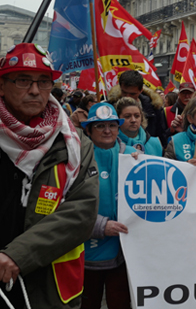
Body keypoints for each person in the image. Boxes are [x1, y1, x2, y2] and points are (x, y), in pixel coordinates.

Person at [0, 43, 98, 308]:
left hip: (43, 286)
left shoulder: (73, 143)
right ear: (1, 85)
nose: (34, 90)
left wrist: (19, 255)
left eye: (43, 82)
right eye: (23, 80)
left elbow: (82, 211)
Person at [80, 103, 136, 309]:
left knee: (120, 303)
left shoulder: (133, 156)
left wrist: (192, 169)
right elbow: (67, 205)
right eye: (99, 126)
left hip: (125, 252)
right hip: (87, 252)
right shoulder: (78, 158)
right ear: (88, 130)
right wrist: (100, 226)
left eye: (112, 125)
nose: (107, 131)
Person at [107, 70, 168, 146]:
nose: (127, 96)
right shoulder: (109, 108)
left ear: (141, 90)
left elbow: (161, 135)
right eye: (124, 92)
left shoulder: (154, 107)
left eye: (132, 94)